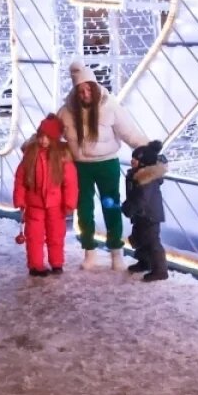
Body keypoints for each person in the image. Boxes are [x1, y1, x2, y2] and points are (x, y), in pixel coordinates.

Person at [60, 60, 149, 270]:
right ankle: (89, 252)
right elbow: (49, 132)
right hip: (81, 167)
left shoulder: (110, 105)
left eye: (88, 89)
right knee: (84, 209)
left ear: (94, 86)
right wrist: (33, 144)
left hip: (107, 165)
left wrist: (148, 149)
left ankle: (116, 253)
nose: (85, 95)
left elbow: (129, 132)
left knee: (111, 206)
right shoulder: (66, 111)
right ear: (75, 92)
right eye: (80, 91)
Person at [13, 114, 79, 277]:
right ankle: (35, 265)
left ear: (54, 138)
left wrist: (69, 202)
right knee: (34, 236)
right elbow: (21, 178)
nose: (43, 140)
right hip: (34, 204)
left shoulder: (63, 156)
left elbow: (70, 182)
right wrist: (20, 198)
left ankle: (57, 263)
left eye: (47, 137)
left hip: (56, 205)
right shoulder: (31, 154)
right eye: (41, 136)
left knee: (56, 235)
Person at [122, 140, 169, 282]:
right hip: (141, 215)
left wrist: (129, 207)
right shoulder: (137, 175)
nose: (132, 161)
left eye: (136, 159)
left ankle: (160, 270)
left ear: (143, 162)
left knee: (152, 242)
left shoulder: (146, 179)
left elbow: (142, 199)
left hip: (149, 215)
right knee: (140, 238)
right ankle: (144, 262)